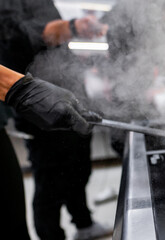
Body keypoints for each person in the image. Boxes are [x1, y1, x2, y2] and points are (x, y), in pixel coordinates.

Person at [0, 1, 111, 239]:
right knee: (50, 181)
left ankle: (84, 225)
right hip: (37, 106)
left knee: (78, 167)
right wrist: (74, 26)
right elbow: (26, 34)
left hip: (67, 94)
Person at [0, 64, 101, 239]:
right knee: (48, 187)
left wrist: (19, 88)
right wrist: (19, 88)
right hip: (32, 120)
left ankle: (82, 222)